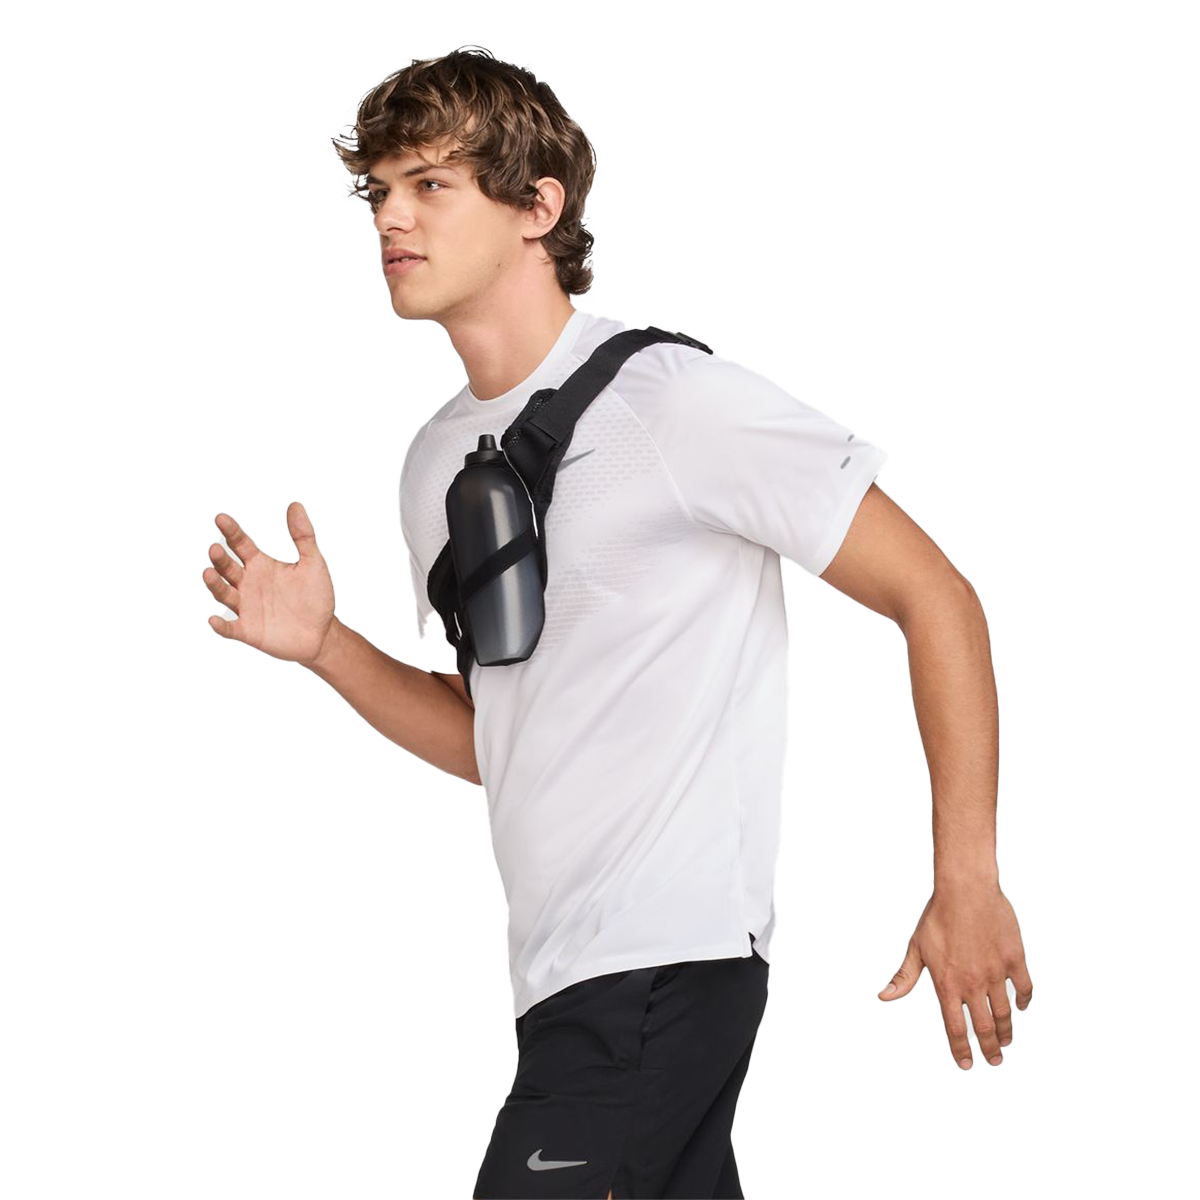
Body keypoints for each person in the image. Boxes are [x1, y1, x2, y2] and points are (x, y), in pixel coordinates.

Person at [203, 45, 1033, 1200]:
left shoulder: (675, 404)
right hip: (561, 981)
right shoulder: (437, 463)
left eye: (430, 184)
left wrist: (969, 876)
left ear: (537, 207)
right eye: (379, 190)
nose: (390, 216)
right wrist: (326, 648)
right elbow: (495, 739)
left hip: (664, 963)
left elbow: (935, 595)